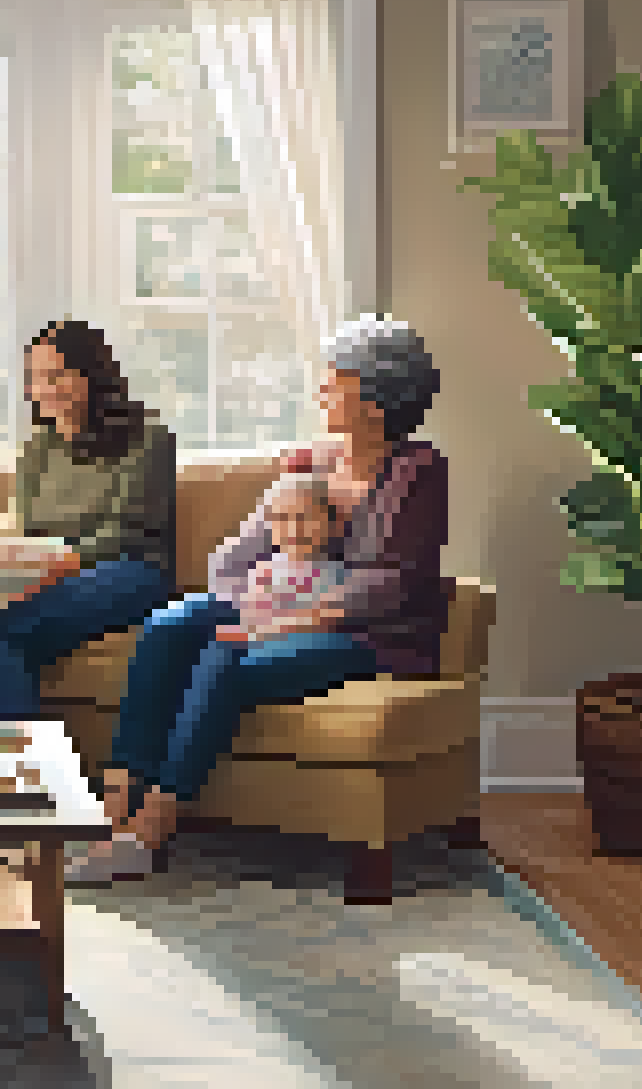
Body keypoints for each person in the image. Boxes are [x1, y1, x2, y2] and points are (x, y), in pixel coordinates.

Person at [109, 315, 449, 864]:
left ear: (375, 396)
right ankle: (117, 796)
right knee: (169, 624)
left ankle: (157, 819)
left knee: (228, 655)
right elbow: (234, 558)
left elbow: (391, 586)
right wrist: (261, 598)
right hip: (276, 605)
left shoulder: (417, 470)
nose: (321, 391)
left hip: (370, 635)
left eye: (334, 381)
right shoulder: (305, 464)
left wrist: (283, 622)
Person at [0, 320, 179, 721]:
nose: (46, 388)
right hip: (54, 576)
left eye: (58, 374)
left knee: (0, 629)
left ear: (91, 374)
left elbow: (124, 534)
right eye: (36, 378)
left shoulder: (147, 436)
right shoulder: (38, 447)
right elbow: (26, 528)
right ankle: (15, 763)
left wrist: (46, 563)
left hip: (130, 573)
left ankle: (22, 767)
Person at [229, 472, 350, 642]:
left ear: (333, 525)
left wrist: (267, 631)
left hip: (289, 644)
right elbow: (249, 611)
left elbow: (324, 620)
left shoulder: (335, 575)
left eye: (304, 518)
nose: (294, 528)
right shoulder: (265, 569)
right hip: (250, 637)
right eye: (283, 518)